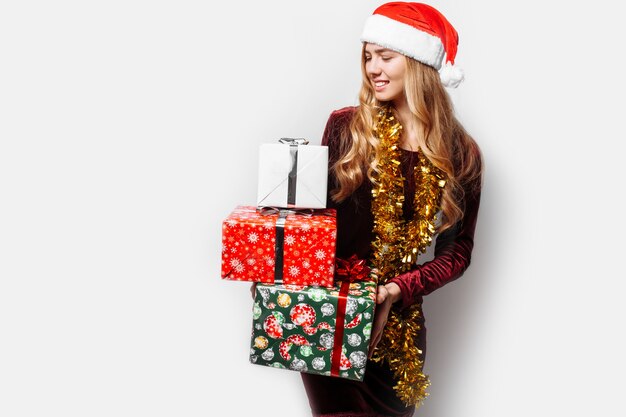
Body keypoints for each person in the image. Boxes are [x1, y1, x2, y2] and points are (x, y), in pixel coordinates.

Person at [299, 2, 484, 416]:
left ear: (418, 63)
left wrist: (397, 291)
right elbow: (310, 221)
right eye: (367, 57)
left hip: (398, 328)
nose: (372, 69)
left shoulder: (460, 152)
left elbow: (458, 252)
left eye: (386, 57)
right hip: (331, 315)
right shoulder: (346, 128)